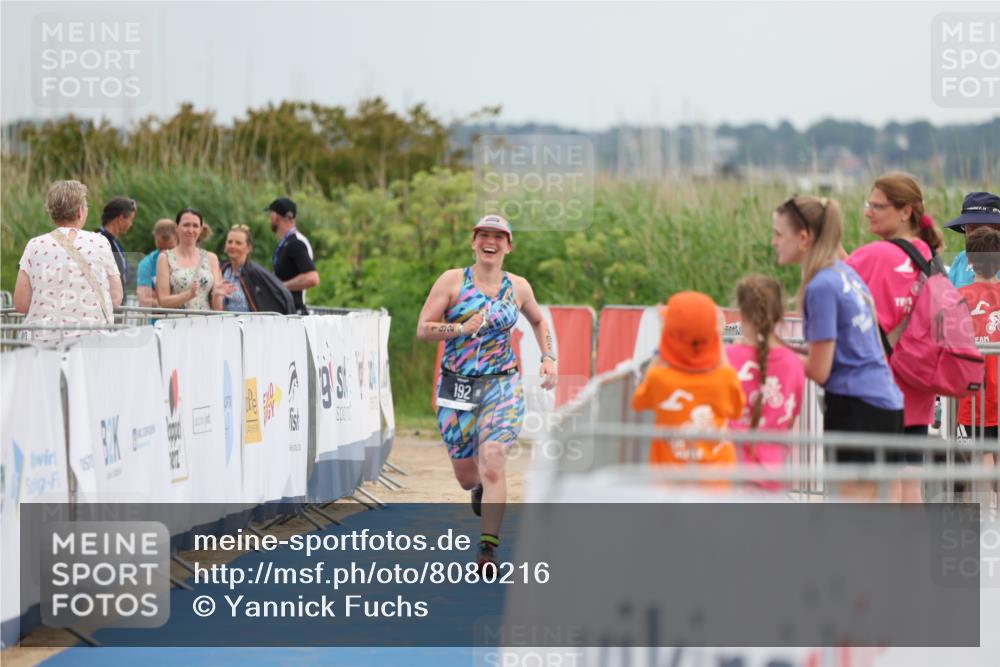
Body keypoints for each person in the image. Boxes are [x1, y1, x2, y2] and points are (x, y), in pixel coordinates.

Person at [416, 214, 557, 573]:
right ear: (473, 241)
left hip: (502, 384)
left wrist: (549, 356)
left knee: (493, 459)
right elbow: (424, 328)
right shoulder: (452, 281)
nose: (490, 242)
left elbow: (539, 321)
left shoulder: (518, 287)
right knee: (468, 476)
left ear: (509, 246)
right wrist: (461, 328)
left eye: (499, 236)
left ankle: (487, 550)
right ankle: (478, 487)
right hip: (456, 385)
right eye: (484, 235)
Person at [773, 195, 904, 500]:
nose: (773, 242)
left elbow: (820, 370)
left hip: (856, 407)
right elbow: (844, 350)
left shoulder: (821, 287)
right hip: (885, 403)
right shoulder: (846, 274)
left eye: (779, 234)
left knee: (851, 517)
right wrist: (782, 346)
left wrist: (773, 352)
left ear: (804, 238)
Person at [844, 173, 944, 501]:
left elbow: (838, 294)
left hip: (880, 386)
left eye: (877, 205)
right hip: (919, 381)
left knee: (883, 483)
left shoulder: (875, 256)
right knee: (911, 480)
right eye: (868, 204)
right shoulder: (929, 255)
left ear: (905, 212)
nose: (868, 212)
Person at [632, 291, 745, 490]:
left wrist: (663, 350)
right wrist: (716, 338)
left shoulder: (659, 379)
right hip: (715, 486)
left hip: (669, 485)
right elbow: (737, 408)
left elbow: (639, 400)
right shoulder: (724, 378)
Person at [14, 180, 123, 343]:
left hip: (44, 344)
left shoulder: (34, 245)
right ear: (80, 211)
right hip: (92, 341)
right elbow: (116, 297)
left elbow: (21, 303)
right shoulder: (99, 242)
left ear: (52, 213)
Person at [725, 275, 805, 491]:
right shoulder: (793, 363)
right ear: (780, 313)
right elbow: (790, 416)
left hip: (731, 467)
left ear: (741, 312)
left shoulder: (726, 358)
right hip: (773, 474)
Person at [953, 227, 1000, 499]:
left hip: (974, 394)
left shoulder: (961, 296)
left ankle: (986, 528)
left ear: (969, 261)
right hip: (995, 390)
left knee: (980, 456)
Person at [156, 208, 225, 311]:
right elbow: (163, 301)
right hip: (177, 323)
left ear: (201, 229)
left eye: (195, 226)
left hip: (206, 323)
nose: (191, 230)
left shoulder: (211, 258)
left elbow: (218, 308)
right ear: (177, 228)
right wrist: (189, 295)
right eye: (186, 225)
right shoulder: (165, 258)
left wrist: (218, 296)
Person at [218, 224, 296, 314]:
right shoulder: (221, 269)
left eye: (238, 243)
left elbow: (283, 294)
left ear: (248, 248)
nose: (233, 246)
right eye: (230, 242)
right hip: (224, 324)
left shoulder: (255, 272)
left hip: (250, 325)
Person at [267, 197, 318, 314]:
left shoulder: (296, 243)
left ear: (275, 216)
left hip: (294, 311)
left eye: (270, 215)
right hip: (286, 309)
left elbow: (312, 278)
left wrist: (281, 286)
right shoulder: (286, 242)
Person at [945, 191, 1000, 288]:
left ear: (997, 228)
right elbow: (948, 295)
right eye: (968, 228)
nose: (972, 235)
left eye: (977, 228)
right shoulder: (961, 259)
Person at [98, 196, 137, 292]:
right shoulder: (99, 241)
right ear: (120, 219)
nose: (131, 224)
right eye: (130, 219)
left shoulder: (115, 242)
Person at [136, 219, 177, 307]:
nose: (164, 254)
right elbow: (144, 301)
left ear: (177, 237)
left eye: (169, 249)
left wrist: (159, 298)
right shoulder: (146, 263)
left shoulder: (189, 258)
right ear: (156, 239)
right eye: (161, 249)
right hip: (157, 320)